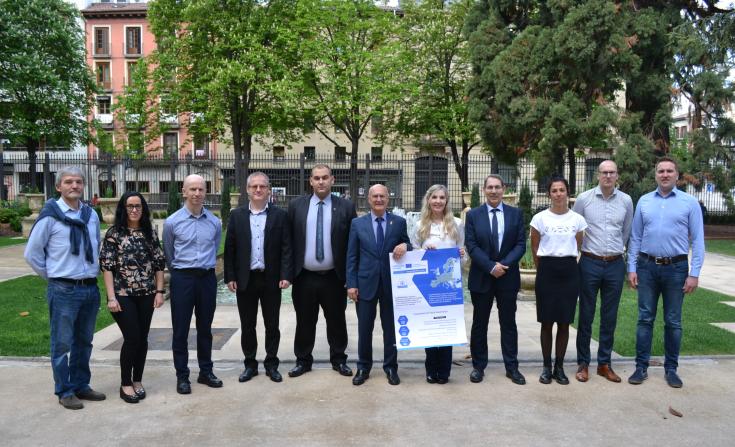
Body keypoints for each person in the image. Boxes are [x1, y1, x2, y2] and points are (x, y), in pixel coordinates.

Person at [24, 166, 106, 410]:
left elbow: (96, 245)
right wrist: (55, 276)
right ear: (59, 186)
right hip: (63, 289)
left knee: (84, 341)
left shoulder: (90, 215)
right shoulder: (50, 216)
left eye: (78, 182)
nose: (74, 186)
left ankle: (81, 384)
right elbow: (32, 254)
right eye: (69, 182)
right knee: (61, 343)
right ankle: (64, 389)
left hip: (90, 288)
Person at [627, 157, 704, 388]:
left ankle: (671, 369)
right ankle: (641, 367)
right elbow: (636, 237)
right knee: (645, 318)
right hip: (647, 267)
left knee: (673, 321)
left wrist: (694, 273)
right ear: (655, 175)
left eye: (670, 171)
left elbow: (698, 240)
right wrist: (631, 267)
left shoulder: (689, 203)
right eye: (661, 171)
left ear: (677, 175)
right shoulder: (644, 201)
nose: (665, 174)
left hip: (676, 269)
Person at [287, 164, 356, 378]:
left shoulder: (345, 207)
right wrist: (287, 274)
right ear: (310, 181)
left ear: (332, 180)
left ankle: (338, 359)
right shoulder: (296, 206)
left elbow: (353, 243)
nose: (321, 182)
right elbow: (288, 242)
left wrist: (350, 277)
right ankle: (303, 360)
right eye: (316, 178)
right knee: (305, 321)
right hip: (304, 276)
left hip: (334, 277)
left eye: (325, 177)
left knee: (336, 321)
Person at [224, 172, 292, 384]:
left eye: (262, 186)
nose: (258, 190)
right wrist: (230, 277)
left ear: (269, 190)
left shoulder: (280, 216)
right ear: (247, 190)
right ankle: (250, 364)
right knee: (248, 325)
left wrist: (286, 275)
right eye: (254, 186)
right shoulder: (237, 216)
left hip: (271, 279)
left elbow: (286, 248)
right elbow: (230, 249)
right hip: (246, 279)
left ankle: (271, 364)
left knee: (272, 325)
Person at [100, 192, 166, 403]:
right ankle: (125, 383)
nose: (135, 210)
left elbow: (158, 264)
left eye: (138, 206)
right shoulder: (114, 234)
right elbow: (107, 267)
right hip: (122, 295)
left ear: (143, 209)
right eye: (130, 206)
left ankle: (137, 380)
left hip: (146, 294)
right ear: (123, 209)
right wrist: (111, 297)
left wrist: (159, 291)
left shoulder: (149, 233)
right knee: (132, 338)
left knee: (143, 339)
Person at [572, 160, 633, 383]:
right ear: (597, 175)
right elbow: (575, 228)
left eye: (612, 172)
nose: (608, 176)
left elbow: (627, 232)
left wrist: (619, 254)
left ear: (617, 176)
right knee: (586, 315)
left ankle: (604, 364)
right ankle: (583, 363)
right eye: (604, 172)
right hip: (589, 262)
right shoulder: (584, 199)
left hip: (615, 264)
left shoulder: (626, 200)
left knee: (609, 316)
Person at [163, 174, 223, 394]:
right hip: (183, 279)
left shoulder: (214, 222)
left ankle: (205, 371)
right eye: (193, 189)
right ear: (184, 192)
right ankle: (182, 376)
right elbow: (169, 252)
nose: (197, 193)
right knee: (180, 329)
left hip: (206, 278)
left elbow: (215, 247)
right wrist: (181, 272)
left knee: (205, 328)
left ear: (205, 192)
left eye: (201, 189)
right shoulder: (172, 222)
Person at [465, 174, 527, 385]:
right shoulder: (473, 215)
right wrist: (491, 266)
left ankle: (512, 367)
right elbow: (471, 245)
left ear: (504, 189)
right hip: (482, 276)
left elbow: (520, 244)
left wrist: (503, 265)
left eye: (497, 187)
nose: (493, 191)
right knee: (479, 324)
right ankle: (478, 367)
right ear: (484, 190)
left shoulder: (515, 214)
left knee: (508, 323)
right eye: (490, 187)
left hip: (507, 278)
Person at [347, 184, 411, 386]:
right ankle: (363, 367)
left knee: (390, 329)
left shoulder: (399, 222)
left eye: (382, 196)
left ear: (388, 199)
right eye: (375, 196)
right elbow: (351, 256)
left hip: (392, 284)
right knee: (365, 329)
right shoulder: (357, 224)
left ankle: (391, 367)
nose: (379, 199)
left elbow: (408, 244)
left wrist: (404, 246)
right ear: (368, 199)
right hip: (365, 284)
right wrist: (351, 284)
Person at [530, 176, 587, 385]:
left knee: (564, 322)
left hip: (569, 271)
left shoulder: (577, 220)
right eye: (554, 190)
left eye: (562, 190)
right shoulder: (540, 218)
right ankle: (546, 367)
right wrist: (543, 268)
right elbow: (535, 247)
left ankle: (559, 367)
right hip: (547, 271)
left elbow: (578, 245)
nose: (558, 194)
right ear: (549, 194)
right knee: (546, 322)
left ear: (568, 193)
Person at [410, 185, 465, 384]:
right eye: (434, 197)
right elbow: (414, 254)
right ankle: (431, 369)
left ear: (447, 201)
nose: (438, 201)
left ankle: (444, 371)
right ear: (428, 200)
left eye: (442, 198)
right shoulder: (419, 226)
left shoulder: (457, 224)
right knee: (430, 328)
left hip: (449, 286)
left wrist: (461, 255)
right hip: (429, 285)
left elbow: (462, 255)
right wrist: (425, 251)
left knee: (447, 328)